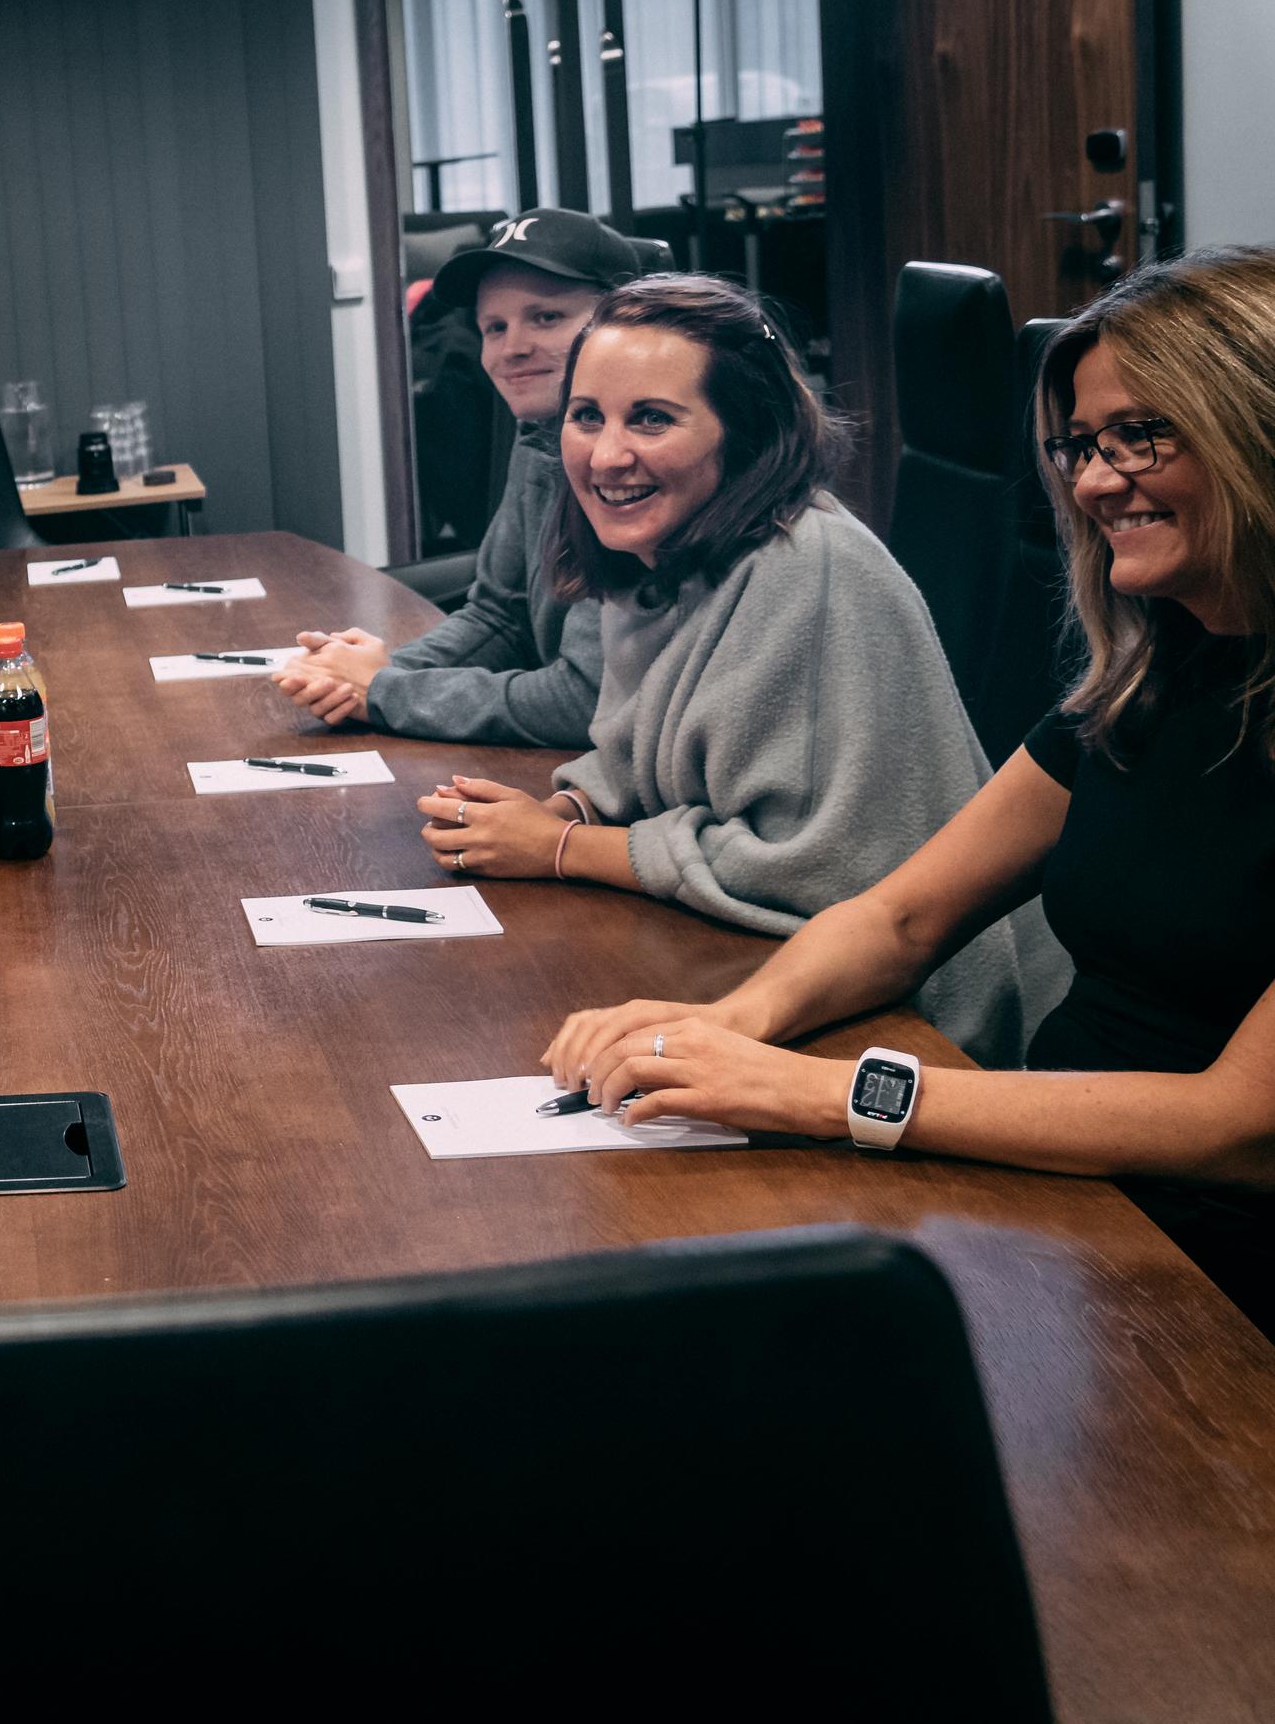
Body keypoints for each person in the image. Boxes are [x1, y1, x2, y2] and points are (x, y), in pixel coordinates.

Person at [543, 247, 1275, 1326]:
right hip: (1078, 1203)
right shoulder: (1157, 674)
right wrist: (733, 1024)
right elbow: (901, 911)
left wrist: (829, 1093)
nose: (1092, 479)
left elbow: (1241, 1125)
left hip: (1220, 1268)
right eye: (1080, 445)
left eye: (1142, 435)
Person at [410, 274, 1061, 1064]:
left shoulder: (806, 569)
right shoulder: (658, 557)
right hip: (758, 967)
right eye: (587, 417)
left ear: (745, 430)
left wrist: (557, 851)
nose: (607, 455)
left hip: (908, 1034)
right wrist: (571, 809)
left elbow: (808, 871)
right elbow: (644, 758)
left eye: (651, 419)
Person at [276, 209, 654, 745]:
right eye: (494, 328)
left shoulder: (638, 470)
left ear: (626, 324)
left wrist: (384, 690)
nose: (512, 348)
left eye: (546, 317)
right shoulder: (541, 434)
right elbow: (500, 618)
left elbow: (590, 701)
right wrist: (358, 678)